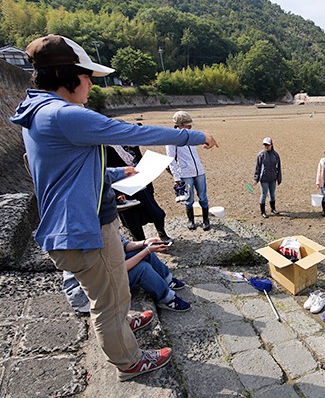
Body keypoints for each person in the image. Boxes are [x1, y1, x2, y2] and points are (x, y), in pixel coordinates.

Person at [10, 34, 218, 381]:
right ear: (67, 76)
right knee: (107, 303)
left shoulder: (38, 111)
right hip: (81, 229)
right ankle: (130, 361)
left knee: (114, 288)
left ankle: (123, 323)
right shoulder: (63, 115)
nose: (91, 83)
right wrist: (194, 136)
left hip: (74, 223)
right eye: (88, 76)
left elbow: (67, 169)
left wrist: (118, 172)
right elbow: (128, 132)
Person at [63, 235, 191, 314]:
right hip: (87, 295)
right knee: (142, 268)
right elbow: (118, 269)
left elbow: (123, 246)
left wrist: (144, 243)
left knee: (143, 250)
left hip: (106, 273)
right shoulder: (91, 235)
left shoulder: (103, 221)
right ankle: (166, 299)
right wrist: (146, 251)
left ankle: (167, 280)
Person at [107, 144, 171, 242]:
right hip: (123, 189)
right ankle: (141, 244)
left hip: (140, 184)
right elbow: (106, 173)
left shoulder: (127, 143)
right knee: (132, 220)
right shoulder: (105, 148)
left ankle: (162, 234)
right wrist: (117, 193)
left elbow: (138, 159)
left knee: (156, 212)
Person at [167, 111, 211, 231]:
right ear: (180, 125)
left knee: (203, 197)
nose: (191, 126)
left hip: (199, 171)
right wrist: (176, 178)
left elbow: (205, 139)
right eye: (188, 124)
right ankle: (191, 220)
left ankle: (206, 220)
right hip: (185, 174)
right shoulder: (172, 139)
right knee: (189, 199)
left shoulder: (191, 135)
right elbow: (171, 159)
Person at [253, 137, 282, 218]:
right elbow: (257, 168)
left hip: (273, 178)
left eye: (268, 145)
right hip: (264, 179)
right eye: (265, 145)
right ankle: (263, 212)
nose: (266, 146)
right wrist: (256, 179)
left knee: (272, 194)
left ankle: (273, 209)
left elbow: (278, 167)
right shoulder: (261, 155)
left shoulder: (275, 155)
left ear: (271, 145)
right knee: (264, 194)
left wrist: (279, 178)